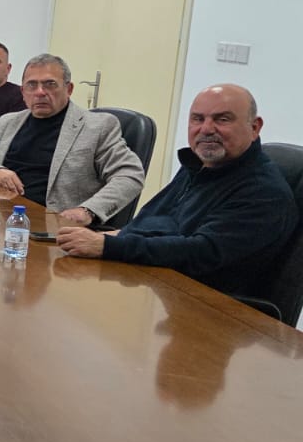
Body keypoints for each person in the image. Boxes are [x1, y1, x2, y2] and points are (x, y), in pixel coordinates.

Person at [57, 84, 297, 297]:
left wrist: (108, 246)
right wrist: (116, 236)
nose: (206, 129)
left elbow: (201, 252)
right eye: (197, 119)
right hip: (157, 283)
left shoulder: (263, 192)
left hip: (208, 308)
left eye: (222, 119)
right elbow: (161, 223)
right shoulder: (201, 165)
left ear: (254, 127)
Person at [0, 54, 144, 226]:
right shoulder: (8, 122)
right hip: (4, 219)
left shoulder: (97, 126)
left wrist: (87, 211)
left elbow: (130, 175)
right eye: (32, 85)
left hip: (56, 226)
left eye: (50, 84)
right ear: (23, 92)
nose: (40, 92)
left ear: (69, 89)